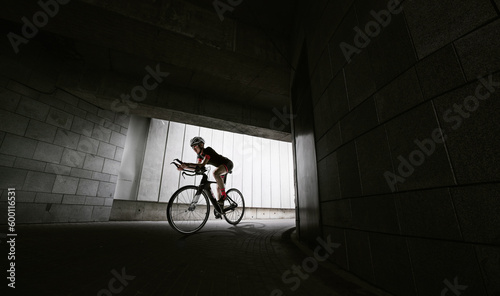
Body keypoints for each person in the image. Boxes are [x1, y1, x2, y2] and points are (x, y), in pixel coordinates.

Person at [178, 136, 233, 210]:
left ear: (201, 145)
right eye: (192, 147)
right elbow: (198, 167)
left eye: (195, 146)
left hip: (227, 163)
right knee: (218, 188)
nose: (194, 149)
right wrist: (184, 167)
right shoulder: (200, 155)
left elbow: (202, 165)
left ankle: (224, 196)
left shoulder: (208, 150)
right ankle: (221, 209)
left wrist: (187, 164)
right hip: (221, 167)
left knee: (215, 173)